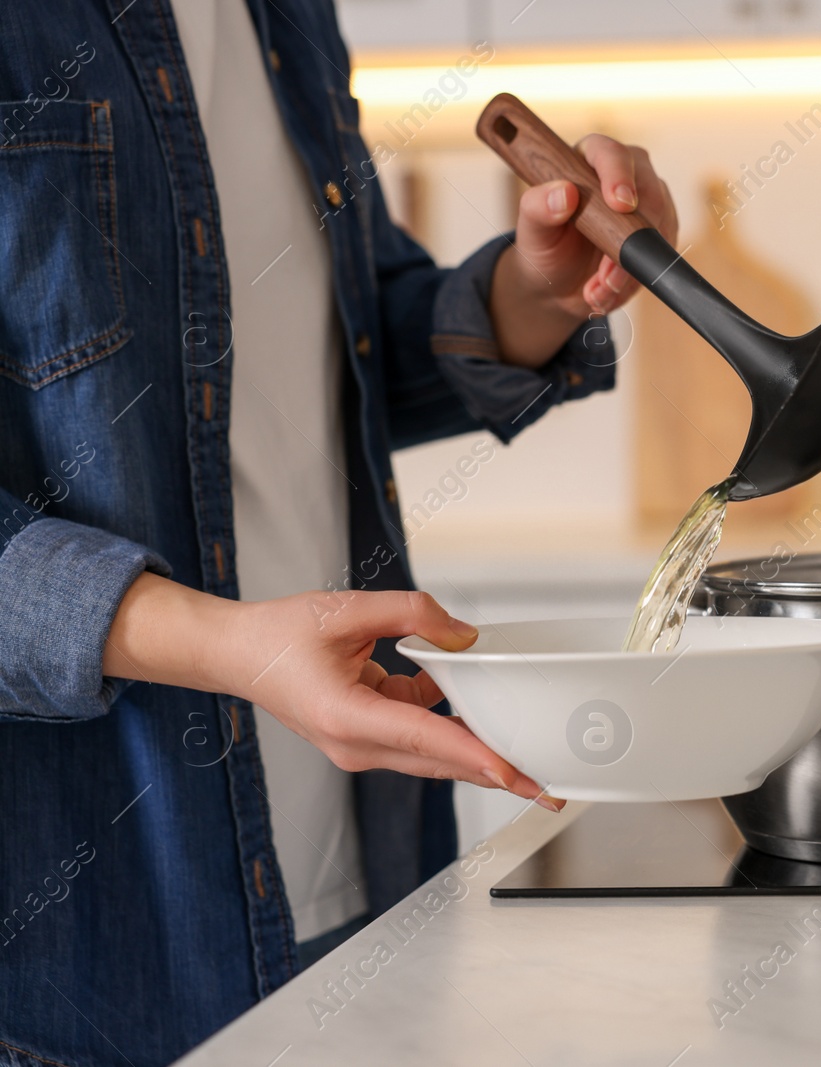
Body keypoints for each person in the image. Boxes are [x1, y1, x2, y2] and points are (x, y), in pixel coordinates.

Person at [0, 1, 677, 1064]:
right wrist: (229, 647)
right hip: (95, 944)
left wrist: (536, 292)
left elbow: (328, 348)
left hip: (356, 865)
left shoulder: (286, 16)